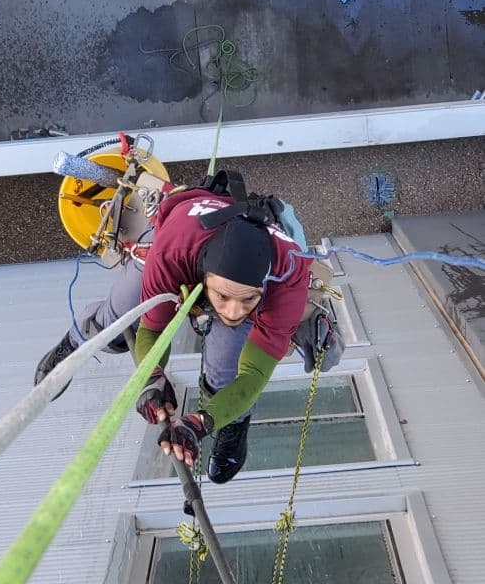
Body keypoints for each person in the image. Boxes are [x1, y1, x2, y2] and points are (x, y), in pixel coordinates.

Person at [34, 184, 312, 483]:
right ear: (204, 278)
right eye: (223, 298)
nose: (233, 311)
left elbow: (254, 375)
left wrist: (202, 422)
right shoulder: (172, 253)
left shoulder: (289, 276)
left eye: (247, 299)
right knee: (117, 319)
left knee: (226, 369)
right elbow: (152, 330)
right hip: (180, 237)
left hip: (250, 271)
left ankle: (233, 422)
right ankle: (75, 342)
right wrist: (152, 377)